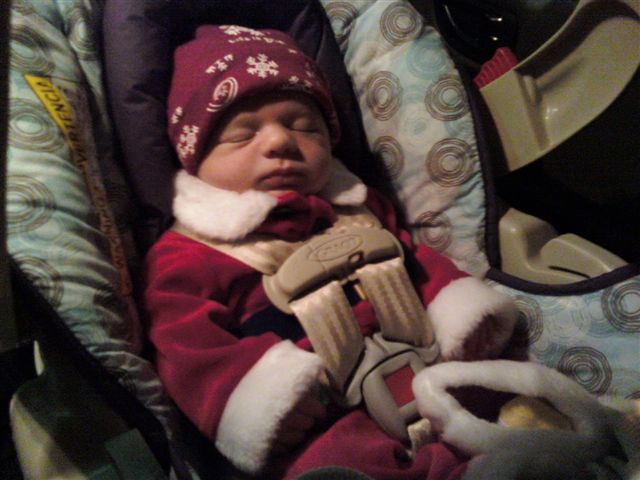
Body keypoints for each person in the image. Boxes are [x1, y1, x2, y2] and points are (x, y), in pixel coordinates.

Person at [143, 25, 518, 479]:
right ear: (195, 157)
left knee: (504, 394)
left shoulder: (359, 207)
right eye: (242, 134)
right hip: (319, 409)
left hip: (424, 358)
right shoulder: (187, 253)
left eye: (304, 127)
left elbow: (415, 262)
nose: (280, 142)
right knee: (331, 463)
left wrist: (458, 311)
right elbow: (186, 347)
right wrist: (259, 398)